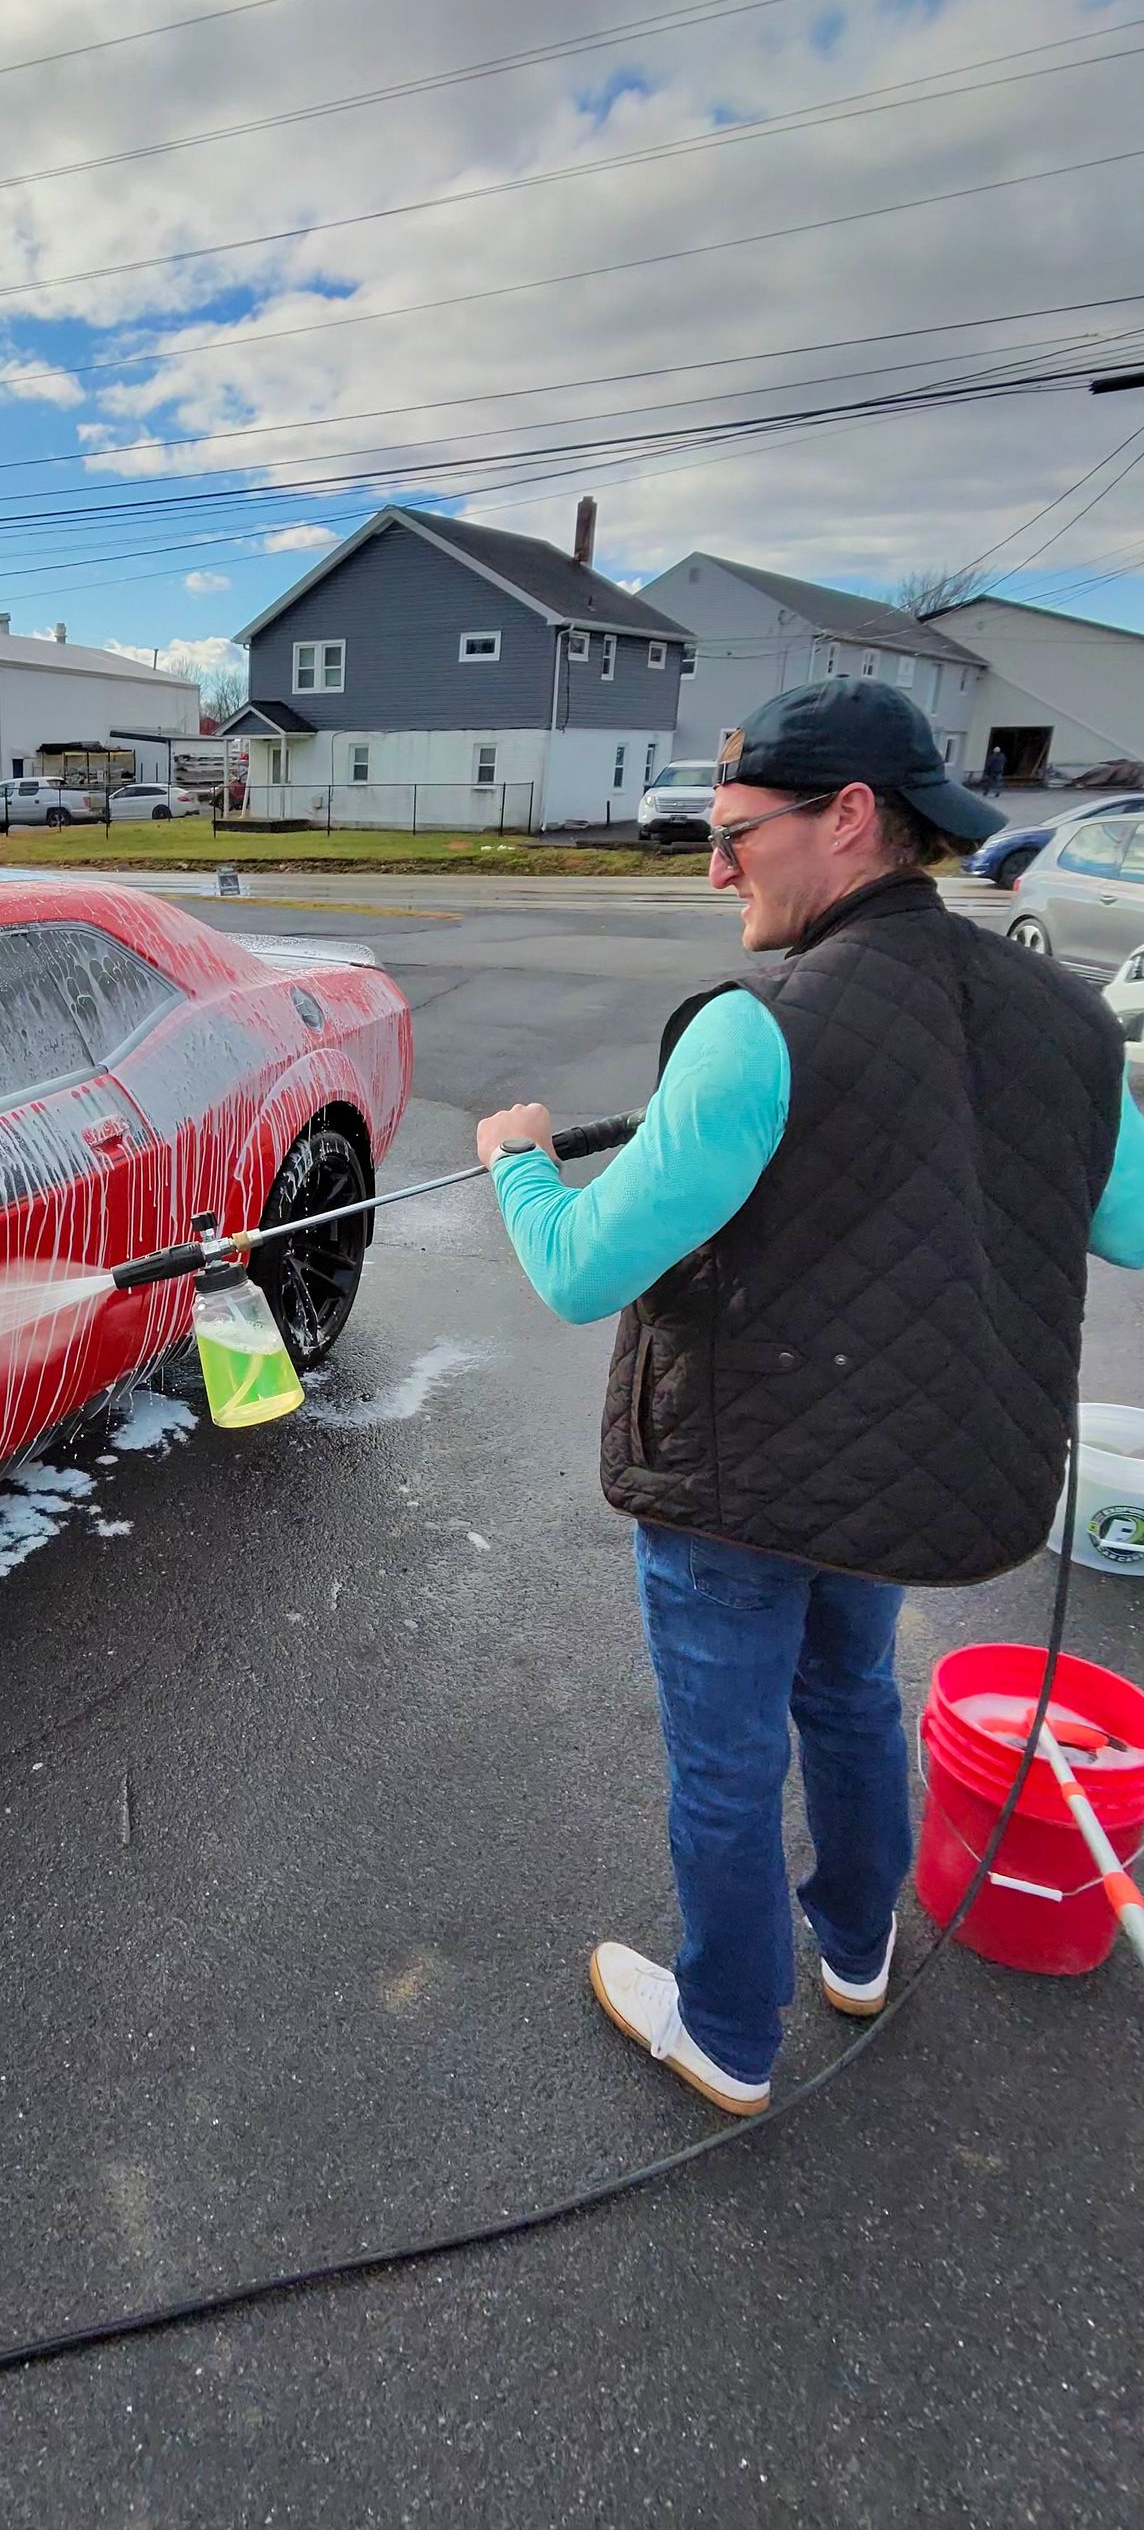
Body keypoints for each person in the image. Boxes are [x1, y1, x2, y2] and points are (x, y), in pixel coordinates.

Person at [477, 680, 1144, 2115]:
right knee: (848, 1696)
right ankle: (854, 1950)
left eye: (734, 836)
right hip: (918, 1470)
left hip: (740, 1482)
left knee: (726, 1761)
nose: (716, 871)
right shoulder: (1072, 1022)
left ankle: (725, 2029)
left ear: (849, 819)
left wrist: (520, 1162)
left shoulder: (756, 1027)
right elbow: (1135, 1223)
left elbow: (583, 1272)